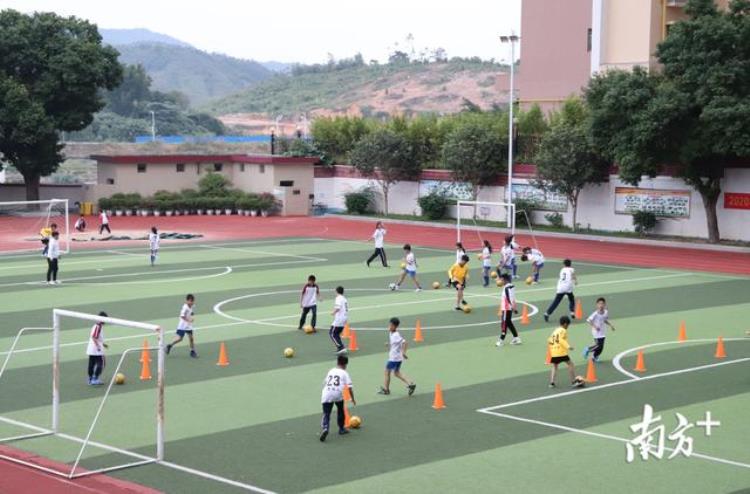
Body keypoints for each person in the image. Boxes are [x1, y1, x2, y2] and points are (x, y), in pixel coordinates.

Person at [320, 355, 356, 442]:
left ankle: (325, 428)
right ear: (345, 365)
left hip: (326, 393)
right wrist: (352, 398)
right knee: (340, 409)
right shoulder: (344, 373)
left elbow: (324, 382)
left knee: (326, 413)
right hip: (337, 394)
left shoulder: (331, 370)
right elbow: (350, 387)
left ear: (337, 362)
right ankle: (341, 429)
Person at [378, 317, 416, 396]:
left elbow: (405, 342)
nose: (389, 327)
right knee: (396, 373)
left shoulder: (396, 335)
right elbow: (396, 343)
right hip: (398, 358)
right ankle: (410, 384)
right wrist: (389, 344)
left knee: (387, 372)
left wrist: (404, 352)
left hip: (394, 358)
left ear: (395, 327)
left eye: (391, 325)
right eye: (389, 325)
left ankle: (386, 390)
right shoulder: (392, 333)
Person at [548, 316, 579, 388]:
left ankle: (552, 382)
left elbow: (549, 340)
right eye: (568, 325)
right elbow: (561, 339)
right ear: (565, 324)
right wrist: (568, 346)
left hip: (554, 352)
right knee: (570, 364)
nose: (568, 326)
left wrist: (552, 349)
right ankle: (573, 381)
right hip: (561, 352)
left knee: (555, 366)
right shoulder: (563, 330)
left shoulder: (555, 330)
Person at [583, 297, 616, 362]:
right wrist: (595, 327)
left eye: (602, 304)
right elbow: (589, 320)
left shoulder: (606, 312)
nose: (601, 305)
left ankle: (594, 357)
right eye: (599, 304)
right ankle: (587, 349)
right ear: (597, 305)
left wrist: (611, 325)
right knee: (599, 346)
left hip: (602, 332)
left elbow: (605, 320)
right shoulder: (595, 313)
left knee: (601, 348)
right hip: (596, 332)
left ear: (605, 305)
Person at [496, 274, 521, 347]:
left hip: (506, 309)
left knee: (504, 324)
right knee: (509, 323)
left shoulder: (507, 288)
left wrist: (513, 307)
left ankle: (501, 340)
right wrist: (514, 307)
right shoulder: (511, 286)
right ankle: (516, 338)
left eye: (501, 279)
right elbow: (513, 298)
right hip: (508, 308)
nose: (500, 281)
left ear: (504, 280)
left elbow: (509, 298)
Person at [87, 312, 109, 385]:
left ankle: (90, 379)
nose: (106, 321)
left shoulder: (96, 326)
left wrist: (103, 344)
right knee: (102, 363)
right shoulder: (98, 326)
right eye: (105, 319)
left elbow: (97, 337)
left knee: (92, 364)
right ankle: (95, 378)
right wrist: (99, 347)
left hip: (91, 349)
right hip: (96, 350)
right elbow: (94, 337)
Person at [329, 286, 348, 355]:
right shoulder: (344, 299)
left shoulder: (338, 298)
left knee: (332, 333)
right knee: (336, 333)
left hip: (339, 318)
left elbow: (338, 307)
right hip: (344, 318)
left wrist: (333, 312)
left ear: (337, 291)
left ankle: (341, 347)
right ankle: (341, 347)